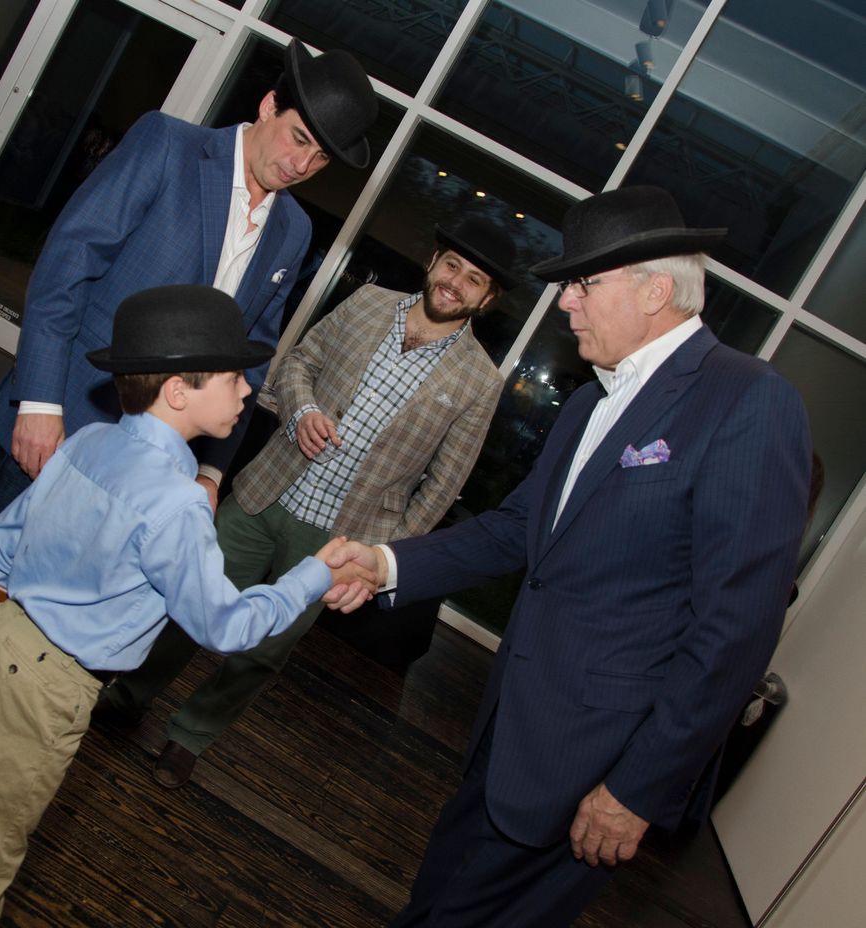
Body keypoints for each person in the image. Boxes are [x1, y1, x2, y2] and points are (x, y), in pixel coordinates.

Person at [325, 186, 813, 926]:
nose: (564, 304)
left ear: (655, 290)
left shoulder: (748, 401)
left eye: (584, 284)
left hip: (596, 775)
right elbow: (515, 528)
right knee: (429, 907)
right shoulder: (591, 402)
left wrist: (639, 789)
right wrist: (387, 564)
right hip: (507, 741)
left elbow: (736, 628)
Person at [0, 39, 378, 686]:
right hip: (64, 419)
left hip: (153, 464)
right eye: (298, 138)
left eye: (319, 158)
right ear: (267, 105)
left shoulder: (293, 232)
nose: (300, 163)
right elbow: (67, 268)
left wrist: (207, 472)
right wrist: (39, 402)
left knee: (72, 610)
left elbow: (249, 361)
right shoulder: (170, 147)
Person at [0, 285, 375, 927]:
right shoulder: (176, 503)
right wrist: (309, 577)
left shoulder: (87, 444)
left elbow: (4, 541)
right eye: (233, 377)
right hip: (50, 684)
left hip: (0, 635)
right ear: (179, 391)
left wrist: (4, 606)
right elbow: (224, 625)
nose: (248, 391)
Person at [96, 216, 517, 788]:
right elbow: (299, 362)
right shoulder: (367, 301)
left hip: (338, 545)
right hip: (266, 493)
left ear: (486, 299)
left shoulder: (480, 381)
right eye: (451, 266)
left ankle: (189, 736)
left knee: (263, 652)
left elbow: (442, 485)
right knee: (184, 603)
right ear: (433, 262)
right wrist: (301, 411)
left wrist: (379, 558)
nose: (454, 284)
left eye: (473, 281)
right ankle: (131, 695)